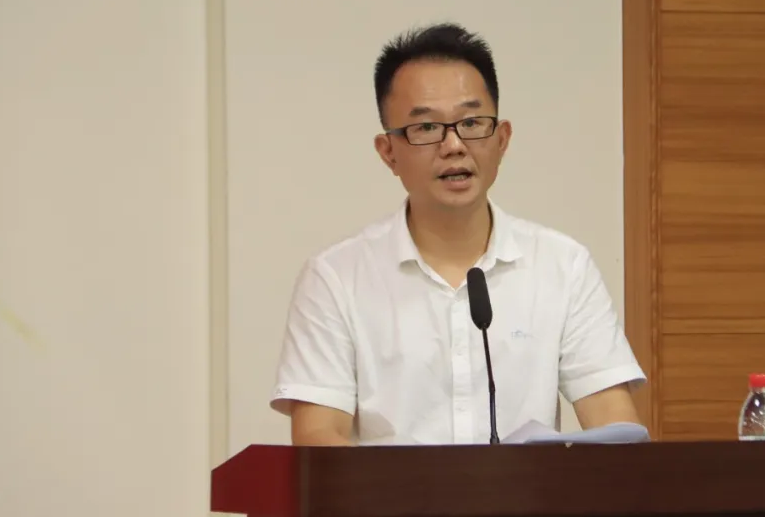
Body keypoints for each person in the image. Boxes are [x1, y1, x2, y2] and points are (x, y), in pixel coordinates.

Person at [270, 22, 646, 446]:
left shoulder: (563, 265)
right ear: (388, 152)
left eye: (472, 122)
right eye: (426, 128)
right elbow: (318, 439)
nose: (453, 145)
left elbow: (615, 428)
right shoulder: (336, 278)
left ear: (502, 139)